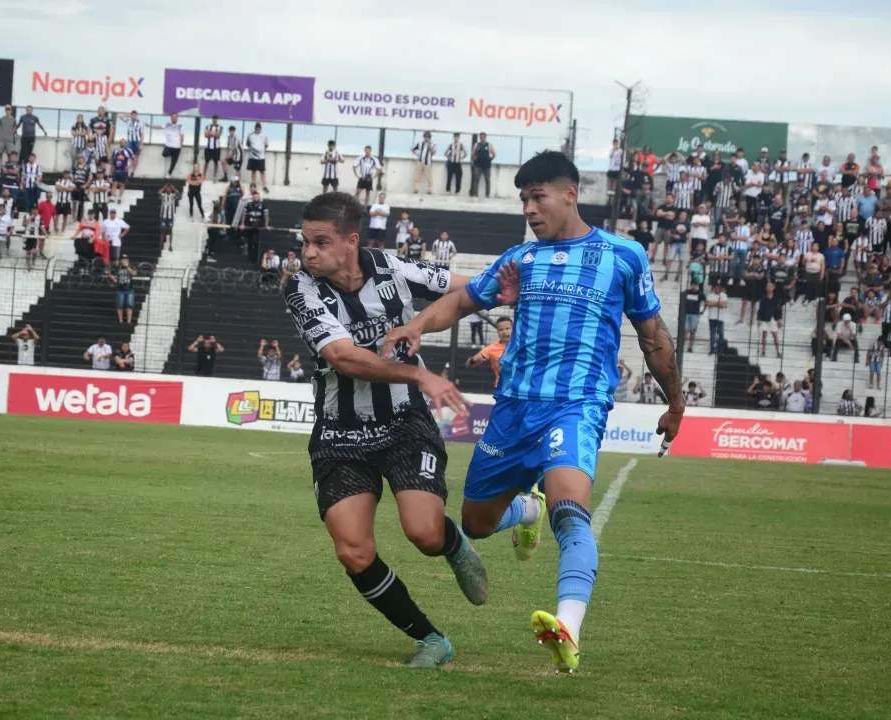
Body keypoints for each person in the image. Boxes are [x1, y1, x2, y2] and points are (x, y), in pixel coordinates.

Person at [383, 151, 681, 673]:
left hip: (576, 405)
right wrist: (417, 325)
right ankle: (525, 511)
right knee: (475, 524)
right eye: (523, 199)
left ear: (570, 194)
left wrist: (675, 402)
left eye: (538, 197)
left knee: (570, 511)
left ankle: (568, 626)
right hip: (514, 410)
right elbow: (463, 301)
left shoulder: (623, 255)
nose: (529, 208)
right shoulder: (520, 259)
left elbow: (653, 338)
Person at [283, 192, 490, 668]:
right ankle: (430, 639)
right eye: (305, 242)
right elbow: (342, 357)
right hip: (339, 431)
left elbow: (469, 288)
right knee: (353, 552)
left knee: (425, 534)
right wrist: (419, 374)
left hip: (403, 422)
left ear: (350, 241)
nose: (308, 253)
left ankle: (453, 543)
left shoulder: (395, 268)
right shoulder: (300, 288)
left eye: (320, 242)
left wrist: (507, 296)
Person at [464, 316, 512, 388]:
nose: (504, 332)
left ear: (513, 329)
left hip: (523, 388)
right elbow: (468, 365)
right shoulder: (491, 348)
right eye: (501, 330)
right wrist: (473, 360)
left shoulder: (522, 345)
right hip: (503, 388)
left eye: (507, 328)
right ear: (497, 332)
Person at [109, 255, 137, 324]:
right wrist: (114, 279)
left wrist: (127, 267)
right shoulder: (117, 267)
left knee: (129, 306)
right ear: (121, 260)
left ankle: (128, 321)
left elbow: (134, 273)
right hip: (120, 289)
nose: (125, 260)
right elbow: (110, 274)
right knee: (120, 306)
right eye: (123, 259)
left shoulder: (131, 266)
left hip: (129, 289)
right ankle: (120, 321)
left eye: (126, 259)